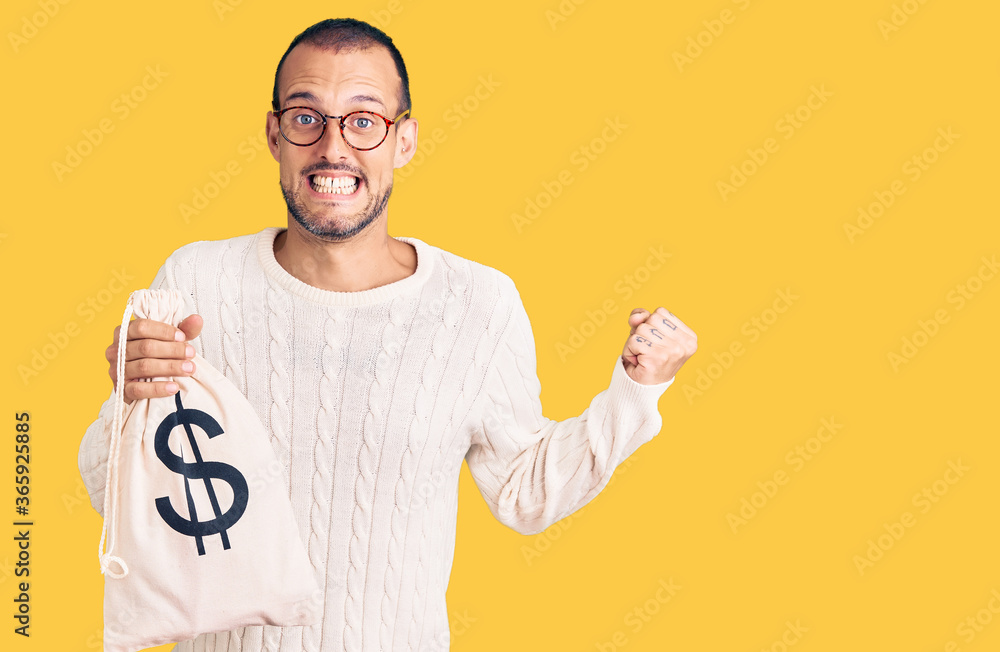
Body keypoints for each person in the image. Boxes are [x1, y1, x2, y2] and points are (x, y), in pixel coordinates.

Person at [78, 17, 698, 652]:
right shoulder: (197, 280)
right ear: (274, 134)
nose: (333, 148)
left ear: (404, 140)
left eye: (364, 120)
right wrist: (129, 406)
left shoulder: (478, 304)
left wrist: (635, 391)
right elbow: (113, 497)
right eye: (305, 116)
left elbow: (526, 493)